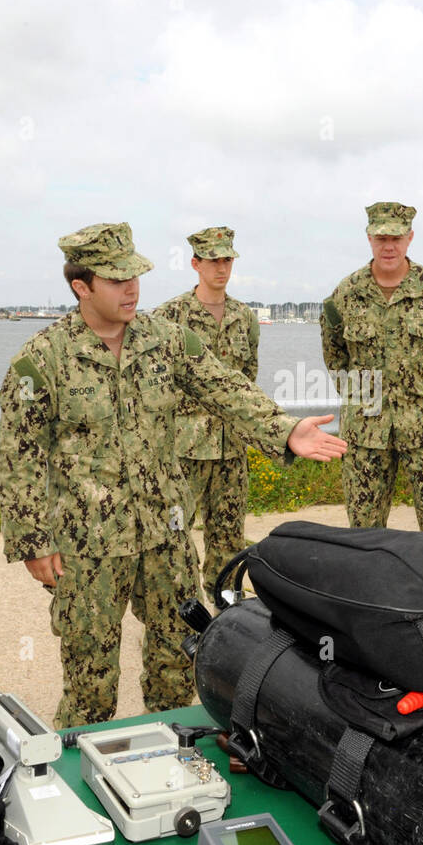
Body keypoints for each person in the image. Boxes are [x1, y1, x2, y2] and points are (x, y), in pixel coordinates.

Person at [0, 222, 346, 728]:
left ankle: (174, 766)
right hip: (89, 546)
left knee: (179, 668)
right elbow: (19, 458)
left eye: (135, 276)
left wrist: (285, 429)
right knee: (91, 685)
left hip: (167, 534)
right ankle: (78, 784)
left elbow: (227, 390)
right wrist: (33, 540)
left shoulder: (166, 341)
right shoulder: (40, 361)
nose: (132, 288)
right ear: (81, 287)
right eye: (116, 280)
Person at [320, 201, 423, 532]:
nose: (389, 246)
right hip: (365, 432)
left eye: (396, 238)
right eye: (380, 238)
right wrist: (359, 396)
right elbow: (334, 353)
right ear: (369, 238)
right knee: (363, 532)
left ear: (410, 238)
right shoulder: (346, 294)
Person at [153, 227, 258, 606]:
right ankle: (177, 616)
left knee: (229, 538)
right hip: (184, 449)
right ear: (195, 263)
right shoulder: (168, 317)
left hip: (231, 448)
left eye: (227, 260)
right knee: (174, 535)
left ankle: (229, 614)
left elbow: (248, 380)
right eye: (212, 260)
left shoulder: (244, 316)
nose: (221, 268)